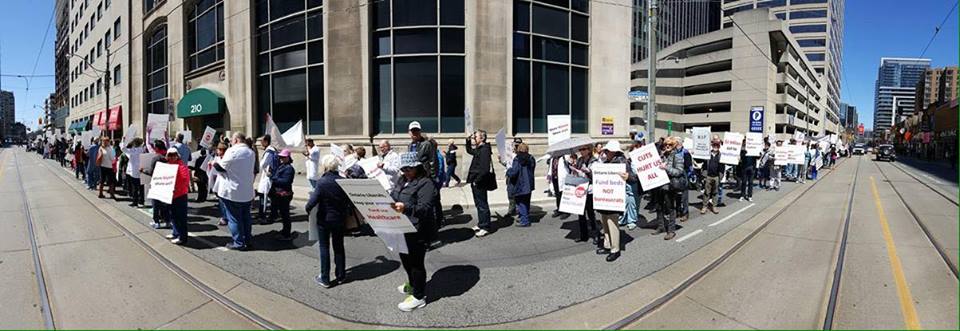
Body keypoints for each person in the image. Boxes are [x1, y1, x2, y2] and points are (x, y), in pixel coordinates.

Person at [390, 152, 438, 312]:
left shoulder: (426, 183)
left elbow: (424, 208)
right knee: (405, 258)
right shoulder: (402, 179)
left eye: (409, 169)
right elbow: (394, 195)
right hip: (401, 227)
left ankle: (419, 297)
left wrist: (406, 207)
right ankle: (412, 284)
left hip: (418, 230)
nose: (405, 172)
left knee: (416, 263)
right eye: (403, 169)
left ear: (417, 167)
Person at [305, 155, 351, 288]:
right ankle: (341, 275)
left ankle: (325, 278)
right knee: (339, 247)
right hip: (339, 219)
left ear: (325, 166)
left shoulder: (322, 182)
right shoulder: (343, 181)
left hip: (324, 219)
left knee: (324, 247)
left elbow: (312, 203)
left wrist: (308, 210)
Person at [214, 132, 257, 251]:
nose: (231, 142)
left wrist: (214, 164)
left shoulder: (232, 151)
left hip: (232, 191)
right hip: (246, 191)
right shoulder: (251, 152)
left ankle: (238, 242)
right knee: (246, 218)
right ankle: (247, 240)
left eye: (232, 140)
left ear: (237, 140)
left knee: (234, 218)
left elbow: (221, 167)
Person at [595, 140, 636, 262]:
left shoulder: (622, 162)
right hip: (605, 197)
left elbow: (634, 177)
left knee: (612, 223)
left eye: (607, 151)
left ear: (614, 152)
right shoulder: (606, 162)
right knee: (605, 222)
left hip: (614, 198)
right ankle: (607, 245)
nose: (605, 152)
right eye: (605, 151)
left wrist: (628, 177)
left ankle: (615, 249)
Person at [407, 122, 442, 226]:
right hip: (414, 178)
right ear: (409, 132)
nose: (415, 133)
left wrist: (432, 177)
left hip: (425, 177)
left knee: (431, 201)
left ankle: (436, 222)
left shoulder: (426, 144)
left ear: (420, 131)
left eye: (417, 130)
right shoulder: (410, 145)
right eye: (413, 131)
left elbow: (433, 161)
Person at [570, 144, 601, 246]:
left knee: (591, 214)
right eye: (580, 149)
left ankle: (596, 235)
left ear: (589, 150)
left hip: (590, 190)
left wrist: (589, 172)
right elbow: (576, 174)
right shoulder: (579, 160)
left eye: (583, 149)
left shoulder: (595, 161)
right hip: (581, 189)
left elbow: (598, 176)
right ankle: (584, 235)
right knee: (581, 213)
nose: (581, 151)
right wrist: (574, 170)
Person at [465, 130, 495, 237]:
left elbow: (484, 169)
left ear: (482, 138)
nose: (474, 138)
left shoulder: (485, 150)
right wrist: (468, 140)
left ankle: (485, 227)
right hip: (476, 181)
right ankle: (481, 223)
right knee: (478, 204)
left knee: (482, 204)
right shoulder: (479, 149)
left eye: (475, 137)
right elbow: (469, 150)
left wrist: (476, 181)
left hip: (480, 182)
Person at [657, 137, 685, 241]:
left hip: (670, 186)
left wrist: (666, 168)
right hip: (660, 185)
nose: (667, 146)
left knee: (670, 209)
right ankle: (661, 226)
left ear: (673, 146)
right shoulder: (662, 155)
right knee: (659, 207)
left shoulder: (677, 156)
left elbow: (679, 171)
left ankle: (671, 230)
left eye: (669, 144)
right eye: (665, 145)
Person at [164, 149, 192, 245]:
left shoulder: (181, 166)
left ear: (177, 156)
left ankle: (182, 237)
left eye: (173, 155)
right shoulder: (167, 166)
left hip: (179, 195)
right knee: (173, 216)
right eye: (169, 155)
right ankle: (176, 233)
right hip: (171, 195)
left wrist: (174, 188)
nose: (171, 157)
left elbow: (184, 180)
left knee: (180, 218)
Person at [267, 149, 296, 241]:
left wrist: (272, 177)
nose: (281, 159)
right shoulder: (282, 166)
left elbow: (286, 182)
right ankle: (284, 231)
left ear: (288, 157)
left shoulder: (289, 168)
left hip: (284, 194)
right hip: (279, 194)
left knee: (285, 215)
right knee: (283, 214)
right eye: (280, 157)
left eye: (283, 157)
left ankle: (287, 234)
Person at [506, 143, 536, 227]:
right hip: (529, 183)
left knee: (520, 202)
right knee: (526, 201)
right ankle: (525, 217)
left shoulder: (517, 159)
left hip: (520, 183)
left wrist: (508, 171)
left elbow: (514, 172)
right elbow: (533, 168)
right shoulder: (531, 158)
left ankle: (524, 220)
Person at [141, 140, 169, 229]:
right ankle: (167, 221)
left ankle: (156, 221)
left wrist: (143, 171)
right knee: (165, 203)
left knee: (156, 203)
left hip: (157, 183)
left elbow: (151, 172)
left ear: (156, 148)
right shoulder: (168, 156)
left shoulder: (156, 158)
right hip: (167, 182)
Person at [257, 135, 279, 223]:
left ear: (266, 141)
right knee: (272, 197)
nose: (261, 143)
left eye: (262, 141)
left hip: (267, 178)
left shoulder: (269, 152)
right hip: (270, 177)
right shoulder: (272, 150)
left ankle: (263, 216)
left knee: (264, 196)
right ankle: (274, 214)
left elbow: (262, 164)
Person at [700, 141, 724, 214]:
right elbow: (702, 163)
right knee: (706, 192)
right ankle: (704, 206)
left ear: (719, 147)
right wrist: (704, 176)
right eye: (714, 145)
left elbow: (723, 166)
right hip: (708, 176)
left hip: (716, 176)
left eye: (717, 145)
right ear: (712, 146)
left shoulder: (722, 155)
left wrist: (721, 177)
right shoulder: (707, 154)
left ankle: (714, 206)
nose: (715, 147)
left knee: (715, 192)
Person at [123, 138, 145, 207]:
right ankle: (141, 200)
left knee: (135, 187)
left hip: (134, 171)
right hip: (141, 169)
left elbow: (123, 149)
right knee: (141, 187)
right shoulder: (142, 149)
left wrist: (124, 141)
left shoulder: (134, 150)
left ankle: (135, 201)